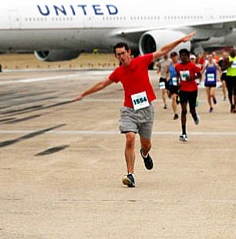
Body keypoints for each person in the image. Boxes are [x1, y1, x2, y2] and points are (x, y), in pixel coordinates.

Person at [74, 32, 195, 188]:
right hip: (129, 111)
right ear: (116, 57)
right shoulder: (119, 72)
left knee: (147, 144)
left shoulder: (142, 61)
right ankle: (130, 175)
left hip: (146, 110)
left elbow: (163, 50)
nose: (122, 56)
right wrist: (84, 94)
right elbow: (103, 84)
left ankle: (144, 154)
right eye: (118, 55)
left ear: (129, 52)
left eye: (123, 53)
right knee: (130, 138)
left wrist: (180, 40)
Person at [175, 48, 201, 142]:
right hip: (183, 90)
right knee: (184, 110)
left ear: (188, 56)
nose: (183, 57)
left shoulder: (192, 65)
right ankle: (184, 133)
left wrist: (192, 77)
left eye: (185, 55)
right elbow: (178, 75)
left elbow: (199, 74)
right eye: (181, 56)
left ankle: (195, 116)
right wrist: (177, 83)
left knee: (192, 110)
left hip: (193, 90)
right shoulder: (177, 66)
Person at [166, 52, 180, 120]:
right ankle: (175, 113)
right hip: (172, 83)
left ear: (177, 57)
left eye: (175, 56)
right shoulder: (170, 65)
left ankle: (178, 99)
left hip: (179, 83)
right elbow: (166, 72)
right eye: (172, 57)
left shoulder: (180, 64)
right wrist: (167, 78)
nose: (174, 58)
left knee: (179, 98)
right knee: (173, 98)